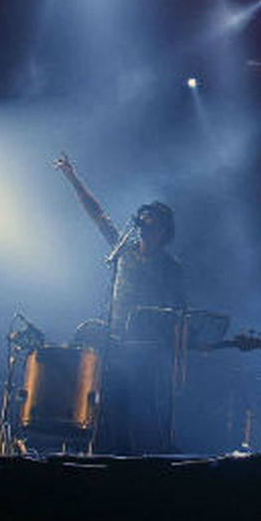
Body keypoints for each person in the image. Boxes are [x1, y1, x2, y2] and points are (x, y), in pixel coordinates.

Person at [54, 153, 188, 453]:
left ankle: (142, 463)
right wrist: (72, 178)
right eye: (144, 217)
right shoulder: (122, 249)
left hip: (146, 348)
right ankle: (94, 458)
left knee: (140, 411)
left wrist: (179, 360)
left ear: (164, 229)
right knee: (100, 405)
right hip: (112, 341)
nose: (145, 223)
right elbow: (98, 214)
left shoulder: (170, 266)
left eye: (153, 220)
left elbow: (180, 312)